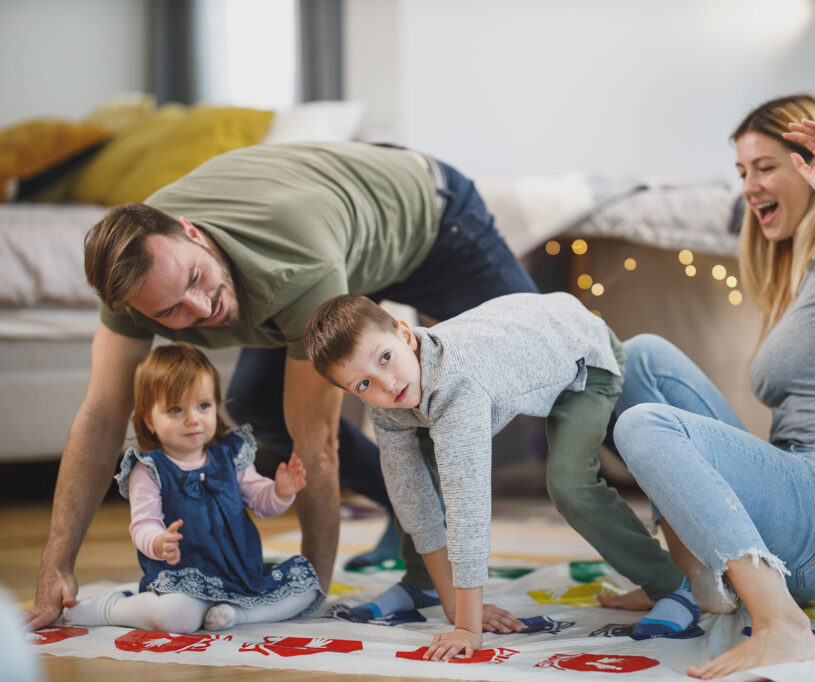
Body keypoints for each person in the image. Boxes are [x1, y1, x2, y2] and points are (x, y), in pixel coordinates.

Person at [26, 141, 538, 631]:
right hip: (339, 226)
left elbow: (316, 441)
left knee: (545, 364)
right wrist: (56, 564)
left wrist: (308, 593)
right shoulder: (134, 282)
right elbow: (101, 416)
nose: (203, 310)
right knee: (257, 403)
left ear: (192, 232)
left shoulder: (293, 261)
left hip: (430, 216)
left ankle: (619, 441)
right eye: (169, 312)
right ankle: (415, 513)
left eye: (196, 279)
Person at [605, 94, 815, 679]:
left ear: (808, 164)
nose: (750, 186)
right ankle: (690, 580)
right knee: (641, 358)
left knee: (643, 425)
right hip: (812, 498)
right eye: (742, 172)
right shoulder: (791, 275)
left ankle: (782, 625)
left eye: (766, 167)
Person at [303, 291, 697, 661]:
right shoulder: (389, 404)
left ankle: (672, 585)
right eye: (365, 384)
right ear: (353, 393)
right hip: (524, 335)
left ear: (405, 335)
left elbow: (468, 506)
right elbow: (413, 498)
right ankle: (423, 583)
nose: (387, 385)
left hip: (583, 354)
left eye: (385, 358)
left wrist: (466, 627)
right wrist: (449, 600)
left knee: (569, 482)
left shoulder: (459, 385)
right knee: (413, 475)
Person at [64, 343, 322, 633]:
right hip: (184, 580)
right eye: (176, 409)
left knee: (307, 586)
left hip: (241, 576)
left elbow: (261, 502)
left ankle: (236, 615)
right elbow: (142, 525)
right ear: (149, 419)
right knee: (177, 618)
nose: (192, 419)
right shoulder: (150, 469)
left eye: (203, 406)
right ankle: (109, 608)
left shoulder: (231, 455)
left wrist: (280, 492)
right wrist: (158, 542)